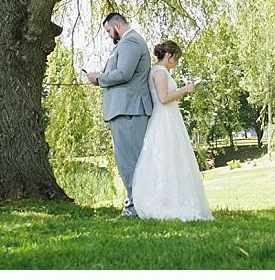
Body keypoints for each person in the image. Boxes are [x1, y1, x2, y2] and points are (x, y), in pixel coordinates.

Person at [131, 40, 213, 221]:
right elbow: (164, 97)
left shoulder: (159, 71)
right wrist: (186, 89)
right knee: (167, 157)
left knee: (171, 159)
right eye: (176, 59)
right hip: (165, 120)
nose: (177, 63)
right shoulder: (160, 72)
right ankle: (167, 201)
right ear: (168, 56)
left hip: (169, 119)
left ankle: (173, 197)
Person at [85, 12, 153, 217]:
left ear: (116, 25)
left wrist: (99, 78)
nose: (108, 35)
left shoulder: (130, 42)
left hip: (130, 109)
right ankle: (137, 204)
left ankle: (134, 207)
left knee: (130, 161)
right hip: (123, 109)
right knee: (127, 160)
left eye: (108, 31)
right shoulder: (125, 44)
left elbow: (124, 73)